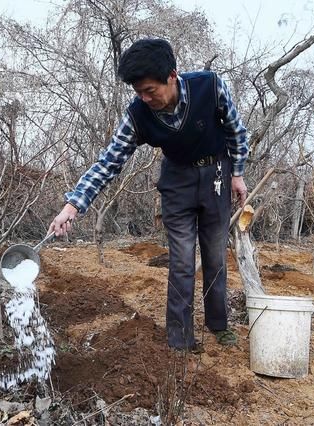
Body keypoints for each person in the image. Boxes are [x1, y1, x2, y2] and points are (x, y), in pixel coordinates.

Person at [47, 38, 248, 352]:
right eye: (138, 91)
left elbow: (236, 129)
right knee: (182, 260)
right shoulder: (138, 114)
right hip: (177, 182)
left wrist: (237, 172)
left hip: (217, 176)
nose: (144, 97)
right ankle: (180, 340)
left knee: (215, 256)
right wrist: (73, 205)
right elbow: (110, 160)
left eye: (150, 90)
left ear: (172, 76)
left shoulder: (209, 86)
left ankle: (218, 324)